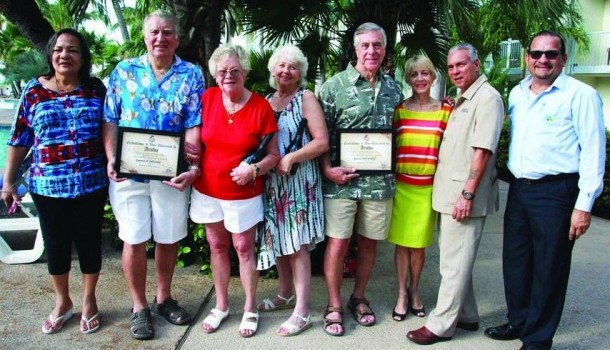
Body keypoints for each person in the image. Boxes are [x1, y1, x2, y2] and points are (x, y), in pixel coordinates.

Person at [484, 31, 606, 350]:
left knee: (549, 266)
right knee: (516, 260)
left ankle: (537, 339)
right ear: (527, 57)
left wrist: (583, 205)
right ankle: (519, 320)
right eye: (536, 54)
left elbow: (594, 152)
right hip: (520, 190)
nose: (542, 60)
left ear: (563, 58)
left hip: (557, 192)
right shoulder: (517, 93)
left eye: (551, 54)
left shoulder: (581, 95)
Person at [103, 10, 204, 340]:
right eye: (155, 32)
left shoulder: (191, 74)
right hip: (129, 174)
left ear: (177, 38)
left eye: (167, 32)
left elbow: (193, 123)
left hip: (170, 173)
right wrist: (111, 158)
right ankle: (139, 306)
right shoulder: (123, 71)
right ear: (145, 37)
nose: (161, 38)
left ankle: (163, 297)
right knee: (133, 237)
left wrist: (190, 161)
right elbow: (111, 118)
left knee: (169, 236)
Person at [1, 28, 108, 335]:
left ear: (82, 57)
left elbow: (110, 131)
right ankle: (63, 302)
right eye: (59, 49)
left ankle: (89, 301)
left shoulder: (95, 89)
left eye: (73, 49)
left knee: (90, 244)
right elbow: (20, 138)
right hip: (47, 186)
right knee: (56, 246)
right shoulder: (34, 91)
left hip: (91, 183)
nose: (65, 55)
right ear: (50, 54)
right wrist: (9, 182)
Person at [406, 43, 504, 345]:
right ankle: (467, 314)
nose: (456, 71)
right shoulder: (464, 99)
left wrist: (467, 193)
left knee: (451, 264)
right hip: (450, 193)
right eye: (451, 67)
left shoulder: (487, 99)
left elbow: (482, 152)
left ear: (476, 64)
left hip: (463, 197)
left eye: (461, 65)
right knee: (458, 258)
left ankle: (441, 324)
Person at [317, 22, 403, 336]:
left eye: (377, 45)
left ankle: (359, 297)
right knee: (338, 243)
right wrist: (327, 168)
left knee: (369, 243)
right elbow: (320, 135)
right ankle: (334, 304)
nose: (371, 51)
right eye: (365, 45)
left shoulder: (394, 89)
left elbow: (399, 135)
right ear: (355, 49)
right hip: (341, 182)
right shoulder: (332, 87)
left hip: (379, 185)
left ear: (384, 49)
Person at [189, 43, 280, 338]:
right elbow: (194, 140)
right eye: (223, 71)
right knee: (216, 246)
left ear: (245, 73)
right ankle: (222, 305)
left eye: (235, 70)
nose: (229, 75)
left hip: (243, 193)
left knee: (243, 249)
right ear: (215, 75)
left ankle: (250, 308)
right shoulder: (207, 98)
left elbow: (274, 155)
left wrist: (254, 170)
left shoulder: (260, 107)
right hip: (207, 190)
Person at [256, 44, 329, 336]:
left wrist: (292, 156)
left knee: (297, 244)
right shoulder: (265, 101)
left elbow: (321, 141)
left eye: (293, 67)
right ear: (274, 70)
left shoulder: (306, 98)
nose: (286, 71)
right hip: (273, 183)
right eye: (282, 65)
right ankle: (285, 294)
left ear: (301, 73)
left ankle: (302, 310)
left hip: (299, 180)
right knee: (278, 240)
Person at [387, 55, 451, 321]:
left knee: (419, 245)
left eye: (425, 73)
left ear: (433, 77)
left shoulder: (447, 110)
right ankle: (402, 294)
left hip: (428, 188)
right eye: (414, 75)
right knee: (402, 245)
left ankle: (415, 292)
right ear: (409, 79)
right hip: (403, 187)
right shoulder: (399, 111)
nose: (420, 79)